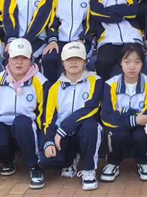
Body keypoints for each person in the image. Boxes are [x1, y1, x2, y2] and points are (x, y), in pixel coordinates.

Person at [0, 38, 48, 190]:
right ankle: (8, 160)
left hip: (27, 127)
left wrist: (45, 141)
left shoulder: (41, 82)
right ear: (8, 59)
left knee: (21, 122)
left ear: (31, 60)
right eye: (15, 57)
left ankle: (34, 167)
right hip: (2, 124)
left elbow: (45, 116)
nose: (19, 62)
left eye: (24, 58)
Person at [40, 42, 105, 191]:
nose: (73, 62)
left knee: (91, 125)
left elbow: (92, 108)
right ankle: (70, 160)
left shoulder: (95, 81)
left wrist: (64, 128)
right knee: (46, 160)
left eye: (78, 58)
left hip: (84, 132)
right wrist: (48, 141)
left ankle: (89, 170)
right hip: (63, 136)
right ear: (63, 62)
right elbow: (49, 119)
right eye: (69, 59)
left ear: (85, 61)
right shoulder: (54, 88)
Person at [100, 44, 147, 182]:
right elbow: (107, 115)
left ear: (142, 64)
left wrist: (123, 112)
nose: (132, 67)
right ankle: (113, 162)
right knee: (119, 133)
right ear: (120, 63)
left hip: (140, 127)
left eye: (137, 62)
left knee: (141, 134)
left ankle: (143, 161)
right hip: (120, 127)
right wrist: (134, 119)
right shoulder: (110, 84)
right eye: (127, 62)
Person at [89, 0, 144, 80]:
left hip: (131, 37)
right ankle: (103, 91)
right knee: (103, 62)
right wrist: (121, 13)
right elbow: (97, 13)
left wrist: (109, 10)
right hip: (107, 39)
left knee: (135, 62)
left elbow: (133, 11)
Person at [41, 0, 93, 84]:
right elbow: (52, 21)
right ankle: (51, 90)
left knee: (74, 59)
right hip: (60, 40)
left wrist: (82, 39)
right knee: (49, 59)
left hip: (81, 40)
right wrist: (53, 39)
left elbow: (91, 22)